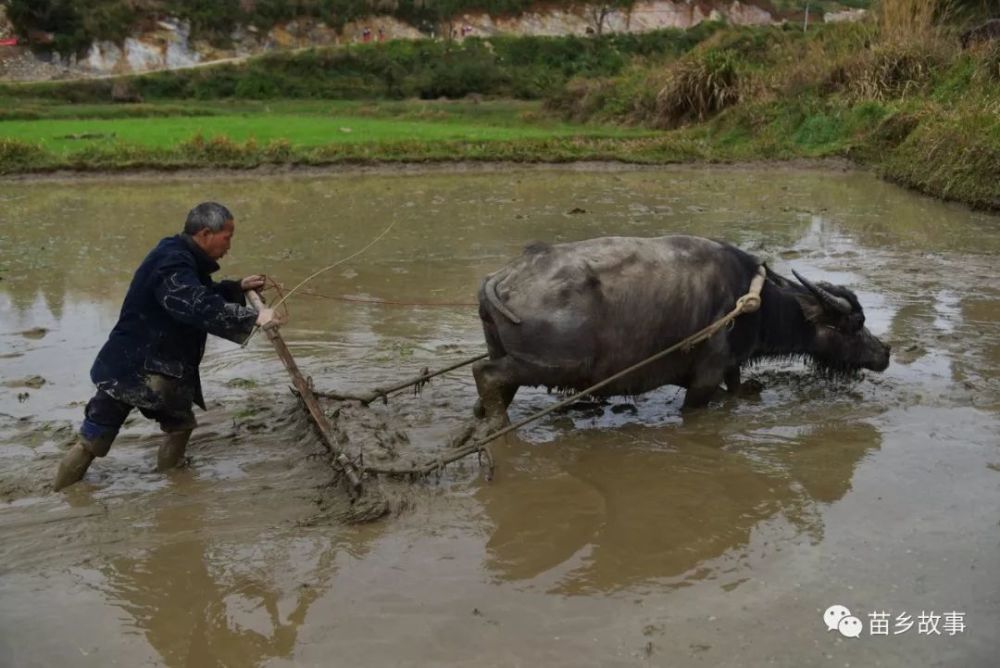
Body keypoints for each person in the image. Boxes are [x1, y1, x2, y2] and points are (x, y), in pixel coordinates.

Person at [53, 202, 282, 491]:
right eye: (227, 237)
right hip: (143, 365)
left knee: (144, 431)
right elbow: (194, 304)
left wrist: (235, 288)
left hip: (142, 364)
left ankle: (168, 488)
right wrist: (253, 317)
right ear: (205, 233)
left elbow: (200, 292)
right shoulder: (172, 262)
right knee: (103, 439)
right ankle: (66, 493)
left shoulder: (180, 255)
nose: (229, 245)